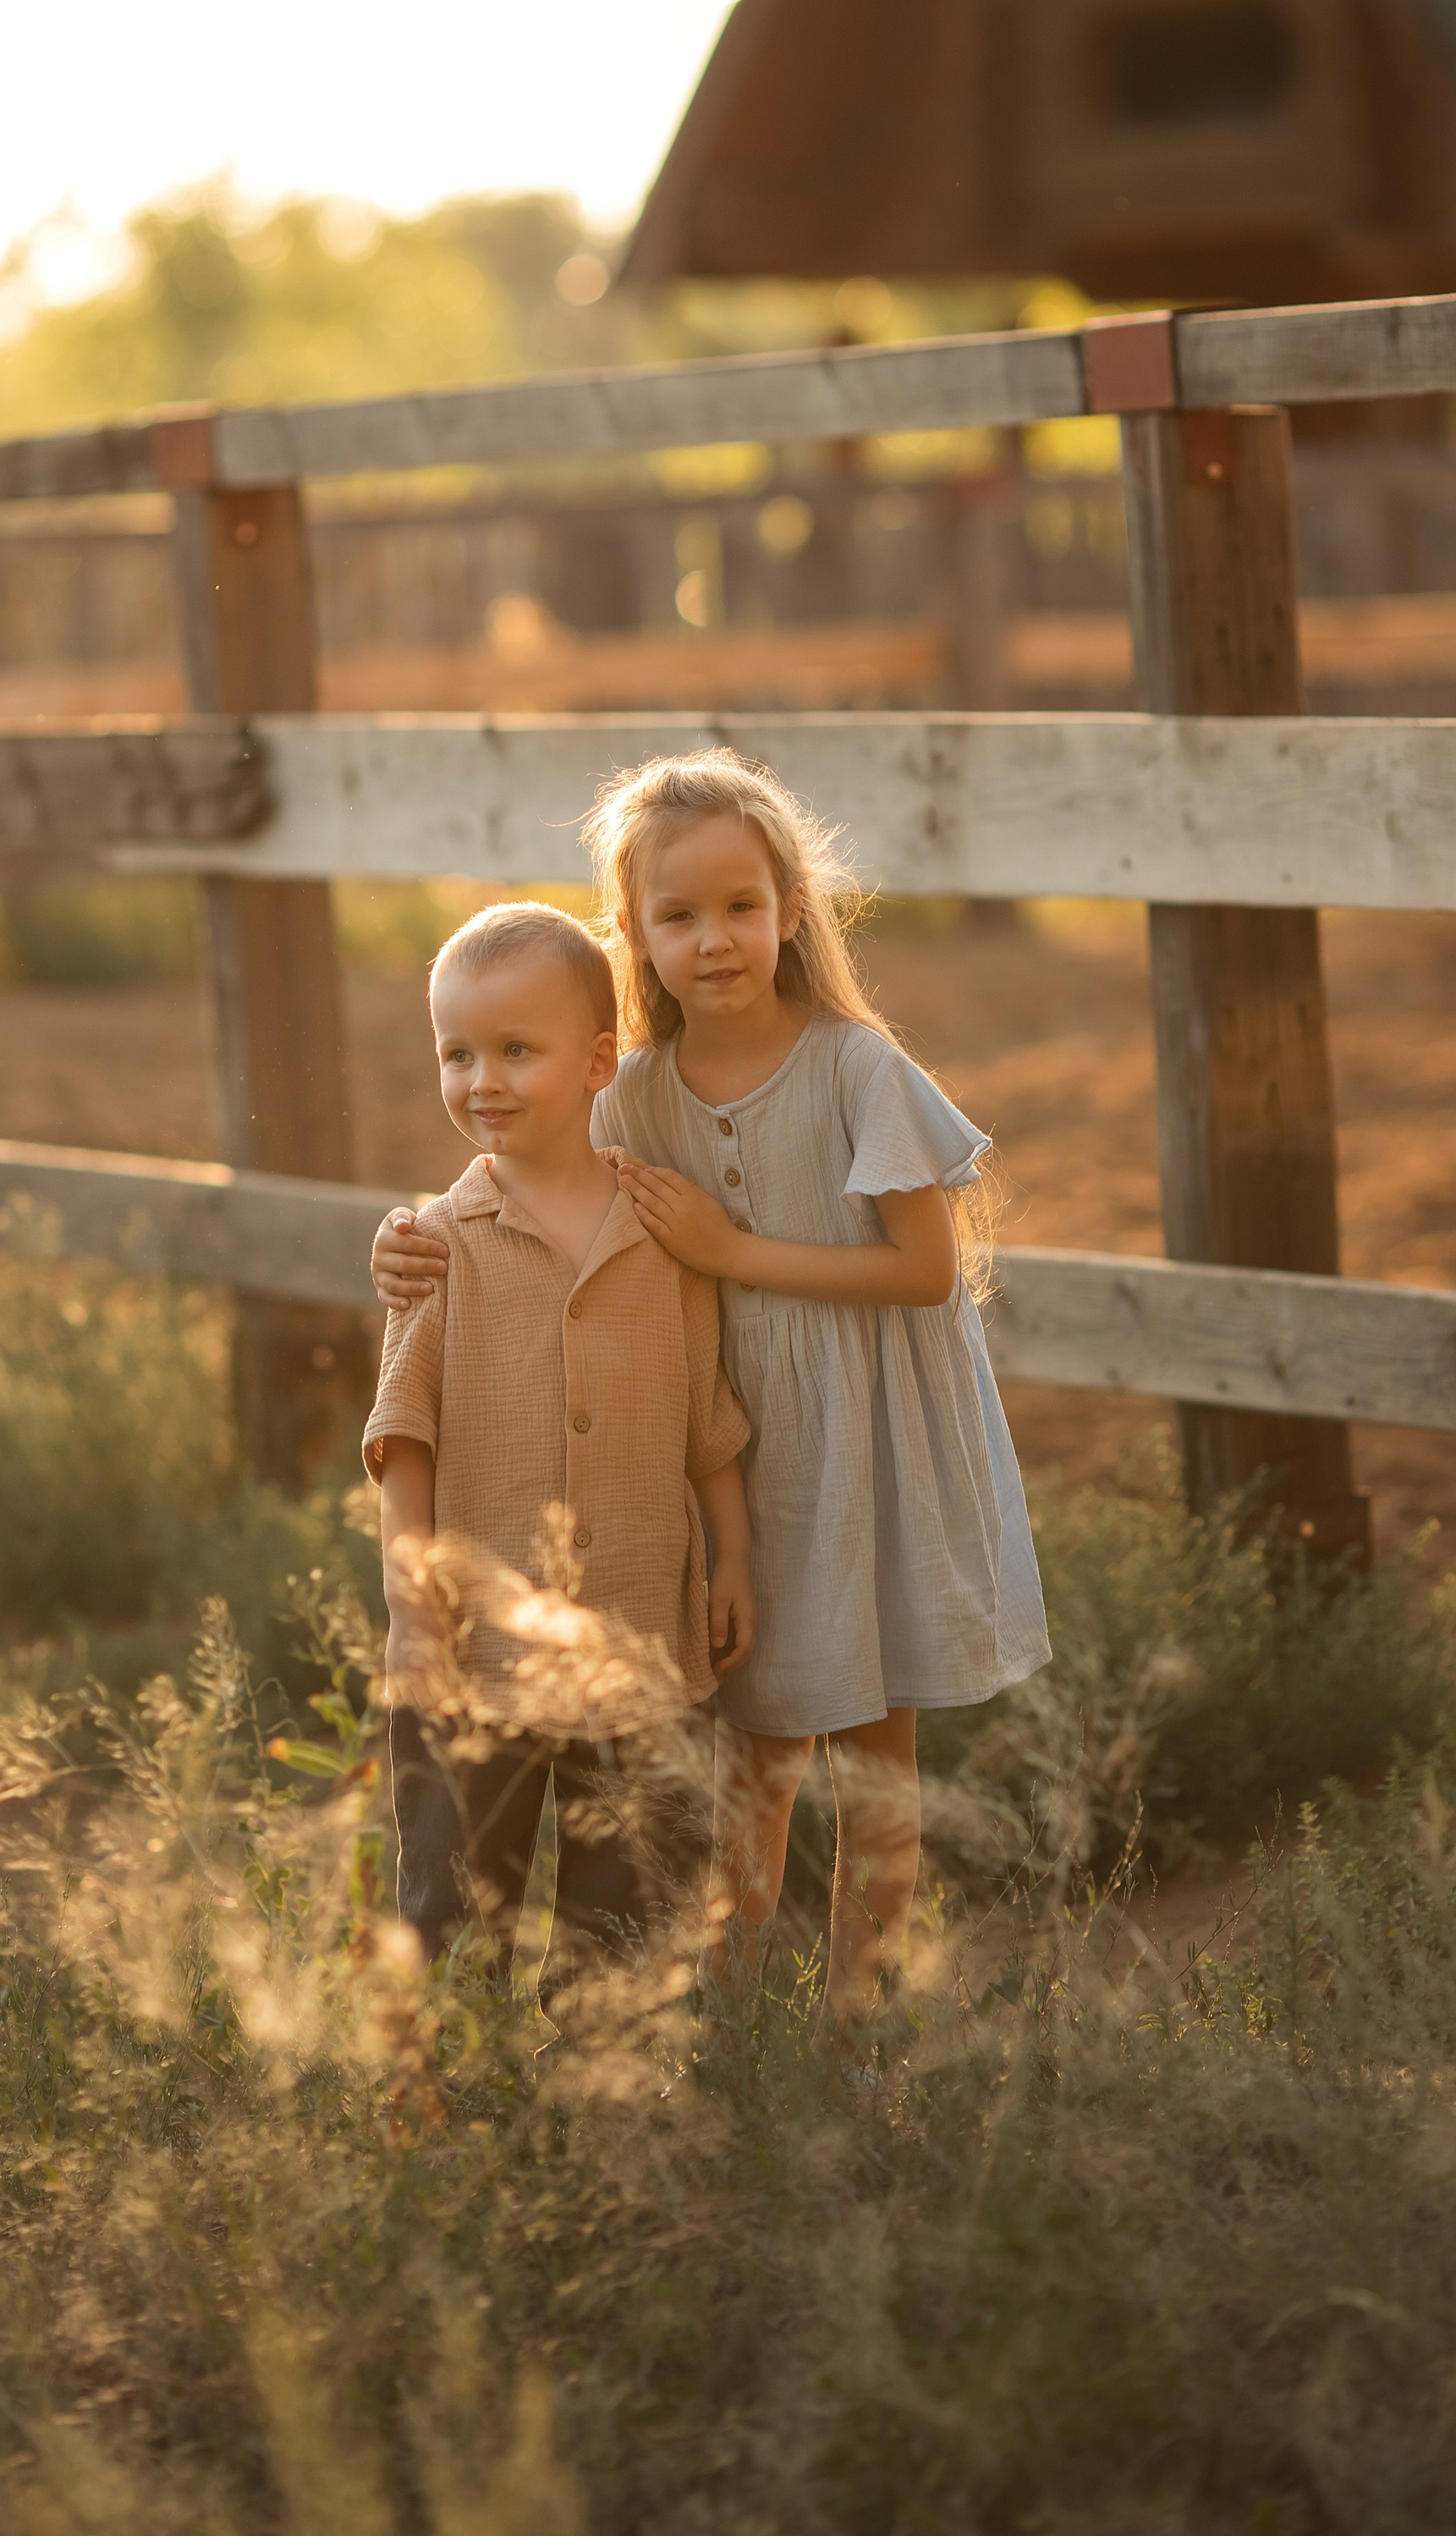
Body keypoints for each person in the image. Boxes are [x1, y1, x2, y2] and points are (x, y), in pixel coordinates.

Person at [375, 751, 1048, 2020]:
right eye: (675, 917)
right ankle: (730, 2013)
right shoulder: (630, 1091)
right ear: (631, 936)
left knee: (876, 1762)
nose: (714, 938)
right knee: (758, 1755)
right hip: (729, 1451)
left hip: (866, 1441)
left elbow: (921, 1272)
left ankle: (860, 2014)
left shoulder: (856, 1071)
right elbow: (516, 1169)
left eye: (740, 905)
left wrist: (730, 1252)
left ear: (792, 907)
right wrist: (405, 1236)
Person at [369, 897, 755, 1993]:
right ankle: (454, 2097)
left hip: (638, 1635)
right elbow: (404, 1443)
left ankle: (603, 2102)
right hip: (470, 1657)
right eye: (456, 1054)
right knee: (451, 1904)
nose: (480, 1080)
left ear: (598, 1063)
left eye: (514, 1051)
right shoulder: (437, 1248)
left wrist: (732, 1561)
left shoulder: (660, 1234)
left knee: (626, 1911)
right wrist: (411, 1618)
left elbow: (707, 1423)